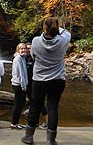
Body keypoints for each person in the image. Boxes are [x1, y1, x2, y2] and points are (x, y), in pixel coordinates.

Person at [21, 17, 71, 145]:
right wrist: (56, 27)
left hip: (39, 80)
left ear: (44, 28)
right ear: (56, 28)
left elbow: (32, 55)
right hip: (57, 79)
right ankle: (51, 140)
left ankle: (28, 136)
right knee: (53, 107)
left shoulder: (36, 41)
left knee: (35, 107)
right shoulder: (63, 40)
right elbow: (67, 33)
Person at [26, 42, 48, 130]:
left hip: (37, 82)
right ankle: (35, 123)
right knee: (33, 103)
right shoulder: (25, 58)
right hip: (29, 84)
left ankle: (46, 122)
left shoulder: (36, 58)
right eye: (27, 48)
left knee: (40, 103)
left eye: (29, 48)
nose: (28, 50)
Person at [11, 43, 28, 129]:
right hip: (18, 84)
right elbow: (20, 73)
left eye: (25, 48)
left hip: (20, 84)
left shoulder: (23, 58)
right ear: (18, 50)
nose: (24, 50)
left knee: (21, 104)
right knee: (18, 104)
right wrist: (23, 85)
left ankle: (16, 122)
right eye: (22, 49)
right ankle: (14, 123)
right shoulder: (18, 59)